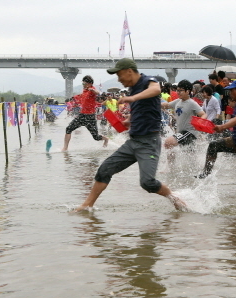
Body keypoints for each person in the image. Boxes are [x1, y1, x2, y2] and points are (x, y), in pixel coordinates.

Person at [73, 59, 187, 212]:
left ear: (129, 71)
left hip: (149, 142)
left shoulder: (148, 81)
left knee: (147, 183)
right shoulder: (133, 90)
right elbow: (140, 110)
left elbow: (156, 90)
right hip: (133, 142)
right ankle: (87, 205)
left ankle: (174, 198)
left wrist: (132, 98)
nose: (119, 80)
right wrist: (128, 121)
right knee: (104, 170)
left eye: (120, 75)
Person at [196, 80, 236, 183]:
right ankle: (206, 173)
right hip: (235, 140)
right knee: (213, 145)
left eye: (232, 91)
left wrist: (222, 127)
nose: (230, 93)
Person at [62, 75, 109, 151]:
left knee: (96, 137)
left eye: (84, 84)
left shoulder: (92, 90)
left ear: (89, 84)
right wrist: (75, 97)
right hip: (82, 115)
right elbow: (82, 98)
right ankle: (65, 148)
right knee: (68, 129)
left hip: (90, 117)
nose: (83, 85)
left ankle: (106, 139)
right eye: (82, 84)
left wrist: (92, 90)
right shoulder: (84, 91)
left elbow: (97, 93)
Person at [161, 79, 206, 151]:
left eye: (180, 90)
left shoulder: (192, 103)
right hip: (181, 132)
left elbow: (203, 114)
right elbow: (166, 105)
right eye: (177, 90)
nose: (178, 92)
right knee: (188, 155)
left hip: (190, 133)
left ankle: (171, 163)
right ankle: (172, 162)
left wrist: (200, 122)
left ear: (187, 91)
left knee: (168, 143)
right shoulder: (178, 101)